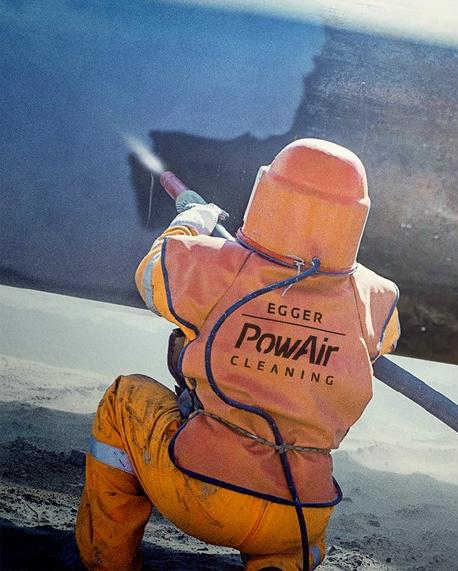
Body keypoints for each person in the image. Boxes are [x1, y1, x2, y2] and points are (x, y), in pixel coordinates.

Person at [72, 139, 401, 570]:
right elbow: (384, 340)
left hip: (201, 493)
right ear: (354, 218)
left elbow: (151, 275)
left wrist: (189, 225)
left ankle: (104, 562)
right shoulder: (375, 297)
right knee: (297, 549)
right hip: (300, 518)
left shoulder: (218, 266)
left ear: (268, 193)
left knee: (124, 398)